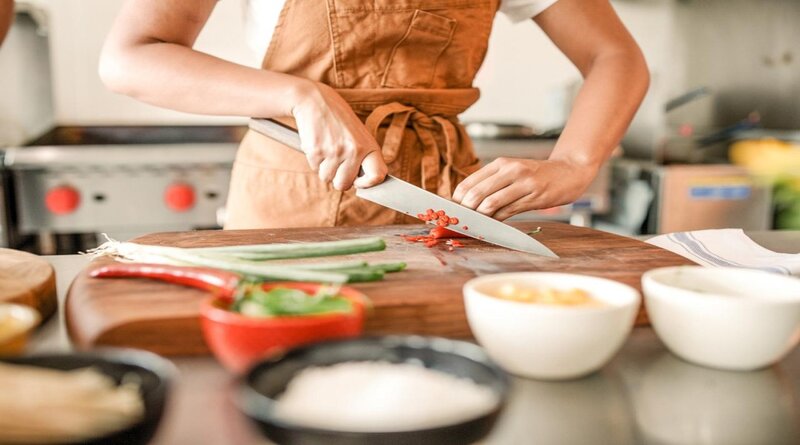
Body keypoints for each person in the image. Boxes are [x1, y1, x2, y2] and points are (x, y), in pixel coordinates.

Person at [99, 0, 649, 229]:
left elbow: (614, 55)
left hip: (444, 197)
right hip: (288, 200)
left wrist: (575, 162)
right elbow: (131, 57)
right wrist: (301, 96)